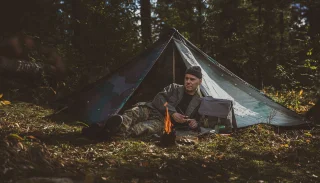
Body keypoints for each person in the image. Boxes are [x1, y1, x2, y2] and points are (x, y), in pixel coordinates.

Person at [82, 66, 203, 139]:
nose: (188, 82)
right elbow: (159, 99)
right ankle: (104, 130)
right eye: (186, 78)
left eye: (192, 79)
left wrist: (194, 123)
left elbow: (201, 120)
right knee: (130, 115)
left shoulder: (200, 100)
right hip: (151, 108)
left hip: (162, 122)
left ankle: (101, 132)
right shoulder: (174, 88)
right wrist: (172, 112)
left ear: (200, 81)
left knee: (138, 129)